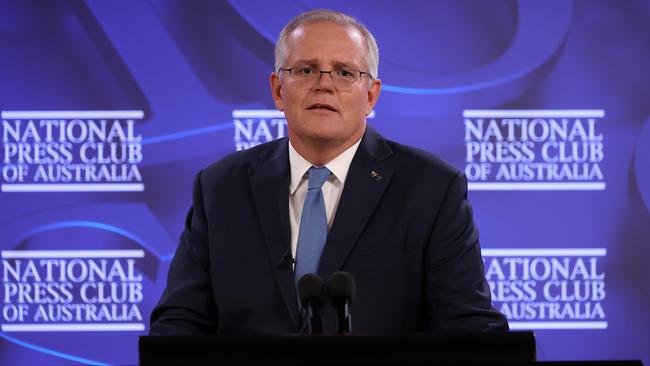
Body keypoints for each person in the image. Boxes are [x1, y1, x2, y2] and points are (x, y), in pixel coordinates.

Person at [150, 9, 508, 335]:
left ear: (371, 96)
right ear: (277, 89)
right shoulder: (220, 188)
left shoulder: (431, 189)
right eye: (306, 69)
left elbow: (469, 325)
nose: (324, 83)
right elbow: (179, 322)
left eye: (345, 72)